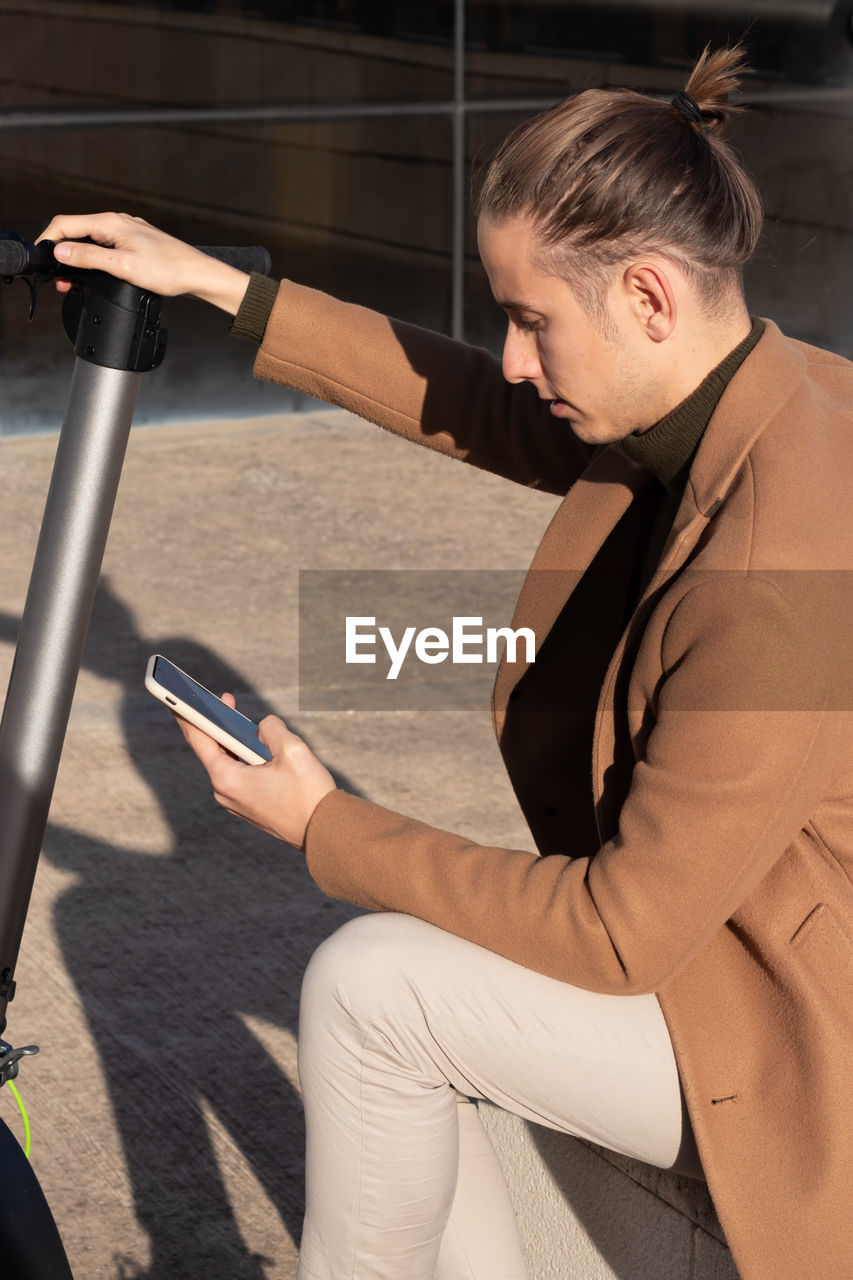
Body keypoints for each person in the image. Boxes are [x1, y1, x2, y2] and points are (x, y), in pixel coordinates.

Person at [39, 43, 853, 1280]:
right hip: (729, 946)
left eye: (533, 319)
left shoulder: (775, 567)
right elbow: (482, 402)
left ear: (645, 297)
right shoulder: (755, 390)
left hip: (790, 1038)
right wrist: (212, 282)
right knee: (428, 1013)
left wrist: (326, 824)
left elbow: (620, 934)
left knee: (382, 987)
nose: (517, 357)